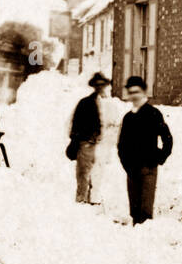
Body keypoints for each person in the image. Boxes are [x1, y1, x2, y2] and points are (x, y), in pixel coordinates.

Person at [117, 75, 173, 225]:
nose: (134, 95)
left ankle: (146, 242)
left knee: (145, 212)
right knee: (134, 211)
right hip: (132, 170)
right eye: (131, 92)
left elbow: (167, 138)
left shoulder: (153, 114)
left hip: (148, 169)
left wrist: (160, 157)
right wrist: (126, 165)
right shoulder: (128, 118)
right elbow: (121, 145)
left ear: (143, 92)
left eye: (137, 91)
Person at [67, 71, 113, 204]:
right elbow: (75, 125)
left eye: (102, 85)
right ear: (93, 86)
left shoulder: (110, 104)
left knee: (99, 173)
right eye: (97, 85)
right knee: (84, 173)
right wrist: (81, 139)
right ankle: (81, 201)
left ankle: (95, 200)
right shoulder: (85, 103)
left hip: (104, 145)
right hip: (87, 144)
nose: (100, 87)